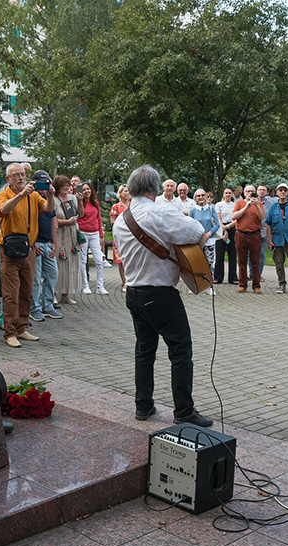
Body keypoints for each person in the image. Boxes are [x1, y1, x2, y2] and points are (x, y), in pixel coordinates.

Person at [111, 165, 213, 427]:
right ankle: (184, 411)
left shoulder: (122, 219)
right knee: (180, 351)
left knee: (144, 352)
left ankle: (143, 406)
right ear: (155, 189)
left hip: (133, 292)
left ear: (132, 189)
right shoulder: (160, 210)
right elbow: (199, 235)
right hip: (161, 293)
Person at [0, 163, 53, 347]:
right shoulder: (4, 194)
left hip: (28, 250)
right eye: (16, 175)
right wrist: (21, 195)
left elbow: (49, 209)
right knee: (10, 294)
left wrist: (51, 195)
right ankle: (10, 332)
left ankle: (21, 328)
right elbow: (4, 210)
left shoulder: (34, 195)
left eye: (22, 174)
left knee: (26, 292)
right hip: (9, 251)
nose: (21, 178)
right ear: (8, 179)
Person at [29, 171, 62, 322]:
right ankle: (34, 308)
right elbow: (27, 222)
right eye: (41, 183)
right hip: (36, 243)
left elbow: (53, 220)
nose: (44, 187)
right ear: (34, 182)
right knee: (35, 278)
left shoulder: (48, 200)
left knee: (52, 274)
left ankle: (47, 306)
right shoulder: (30, 198)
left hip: (48, 243)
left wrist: (54, 243)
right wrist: (32, 242)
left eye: (46, 183)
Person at [53, 175, 83, 305]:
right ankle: (53, 293)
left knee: (71, 263)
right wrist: (66, 222)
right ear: (57, 187)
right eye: (63, 185)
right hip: (59, 234)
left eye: (68, 185)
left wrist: (80, 201)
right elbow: (52, 220)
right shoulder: (53, 200)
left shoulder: (72, 198)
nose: (66, 188)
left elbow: (80, 215)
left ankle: (66, 294)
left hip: (72, 235)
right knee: (58, 264)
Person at [232, 185, 265, 293]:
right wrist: (246, 206)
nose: (250, 193)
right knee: (242, 261)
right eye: (248, 191)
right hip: (241, 235)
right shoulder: (239, 203)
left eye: (252, 191)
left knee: (255, 261)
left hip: (255, 235)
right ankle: (243, 284)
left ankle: (256, 286)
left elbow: (261, 217)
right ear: (244, 193)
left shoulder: (259, 204)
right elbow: (234, 217)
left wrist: (256, 205)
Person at [77, 183, 108, 295]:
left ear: (91, 190)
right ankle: (85, 285)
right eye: (84, 189)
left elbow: (99, 219)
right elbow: (78, 218)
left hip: (94, 233)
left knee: (99, 260)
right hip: (83, 233)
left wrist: (101, 235)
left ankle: (100, 286)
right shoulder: (79, 203)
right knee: (83, 260)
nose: (86, 191)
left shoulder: (96, 203)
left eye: (88, 189)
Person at [188, 188, 220, 295]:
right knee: (195, 263)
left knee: (209, 264)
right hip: (196, 241)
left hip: (209, 240)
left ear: (206, 197)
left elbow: (217, 224)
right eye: (198, 196)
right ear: (195, 198)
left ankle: (209, 286)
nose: (201, 197)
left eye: (203, 195)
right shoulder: (193, 211)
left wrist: (209, 234)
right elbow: (189, 225)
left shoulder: (211, 209)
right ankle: (195, 285)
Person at [213, 188, 237, 284]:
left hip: (232, 228)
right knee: (219, 254)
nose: (227, 194)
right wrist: (224, 229)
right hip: (220, 229)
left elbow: (237, 218)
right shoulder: (218, 205)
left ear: (232, 194)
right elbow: (217, 218)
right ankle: (218, 277)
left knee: (232, 254)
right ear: (223, 194)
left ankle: (233, 278)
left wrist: (228, 227)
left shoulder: (235, 205)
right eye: (226, 193)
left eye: (229, 193)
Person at [110, 185, 131, 292]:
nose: (127, 193)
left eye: (128, 191)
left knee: (131, 260)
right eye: (125, 191)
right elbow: (113, 222)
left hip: (131, 238)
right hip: (120, 237)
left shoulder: (133, 206)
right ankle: (125, 282)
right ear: (120, 193)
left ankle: (132, 281)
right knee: (121, 261)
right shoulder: (116, 207)